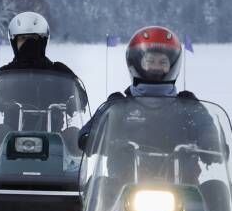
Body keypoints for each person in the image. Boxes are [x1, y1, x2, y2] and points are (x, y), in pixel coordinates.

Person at [79, 26, 223, 184]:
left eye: (163, 62)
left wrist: (211, 143)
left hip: (183, 187)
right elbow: (90, 130)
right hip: (123, 189)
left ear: (173, 65)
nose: (156, 67)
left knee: (215, 189)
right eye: (150, 61)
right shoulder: (119, 105)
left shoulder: (187, 105)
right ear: (136, 63)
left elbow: (205, 126)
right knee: (100, 186)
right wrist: (94, 138)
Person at [0, 12, 87, 114]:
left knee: (73, 132)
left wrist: (73, 102)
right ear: (14, 42)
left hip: (55, 133)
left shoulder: (59, 71)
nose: (29, 43)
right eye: (23, 38)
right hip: (11, 133)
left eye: (33, 38)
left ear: (43, 41)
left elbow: (82, 98)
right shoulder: (4, 74)